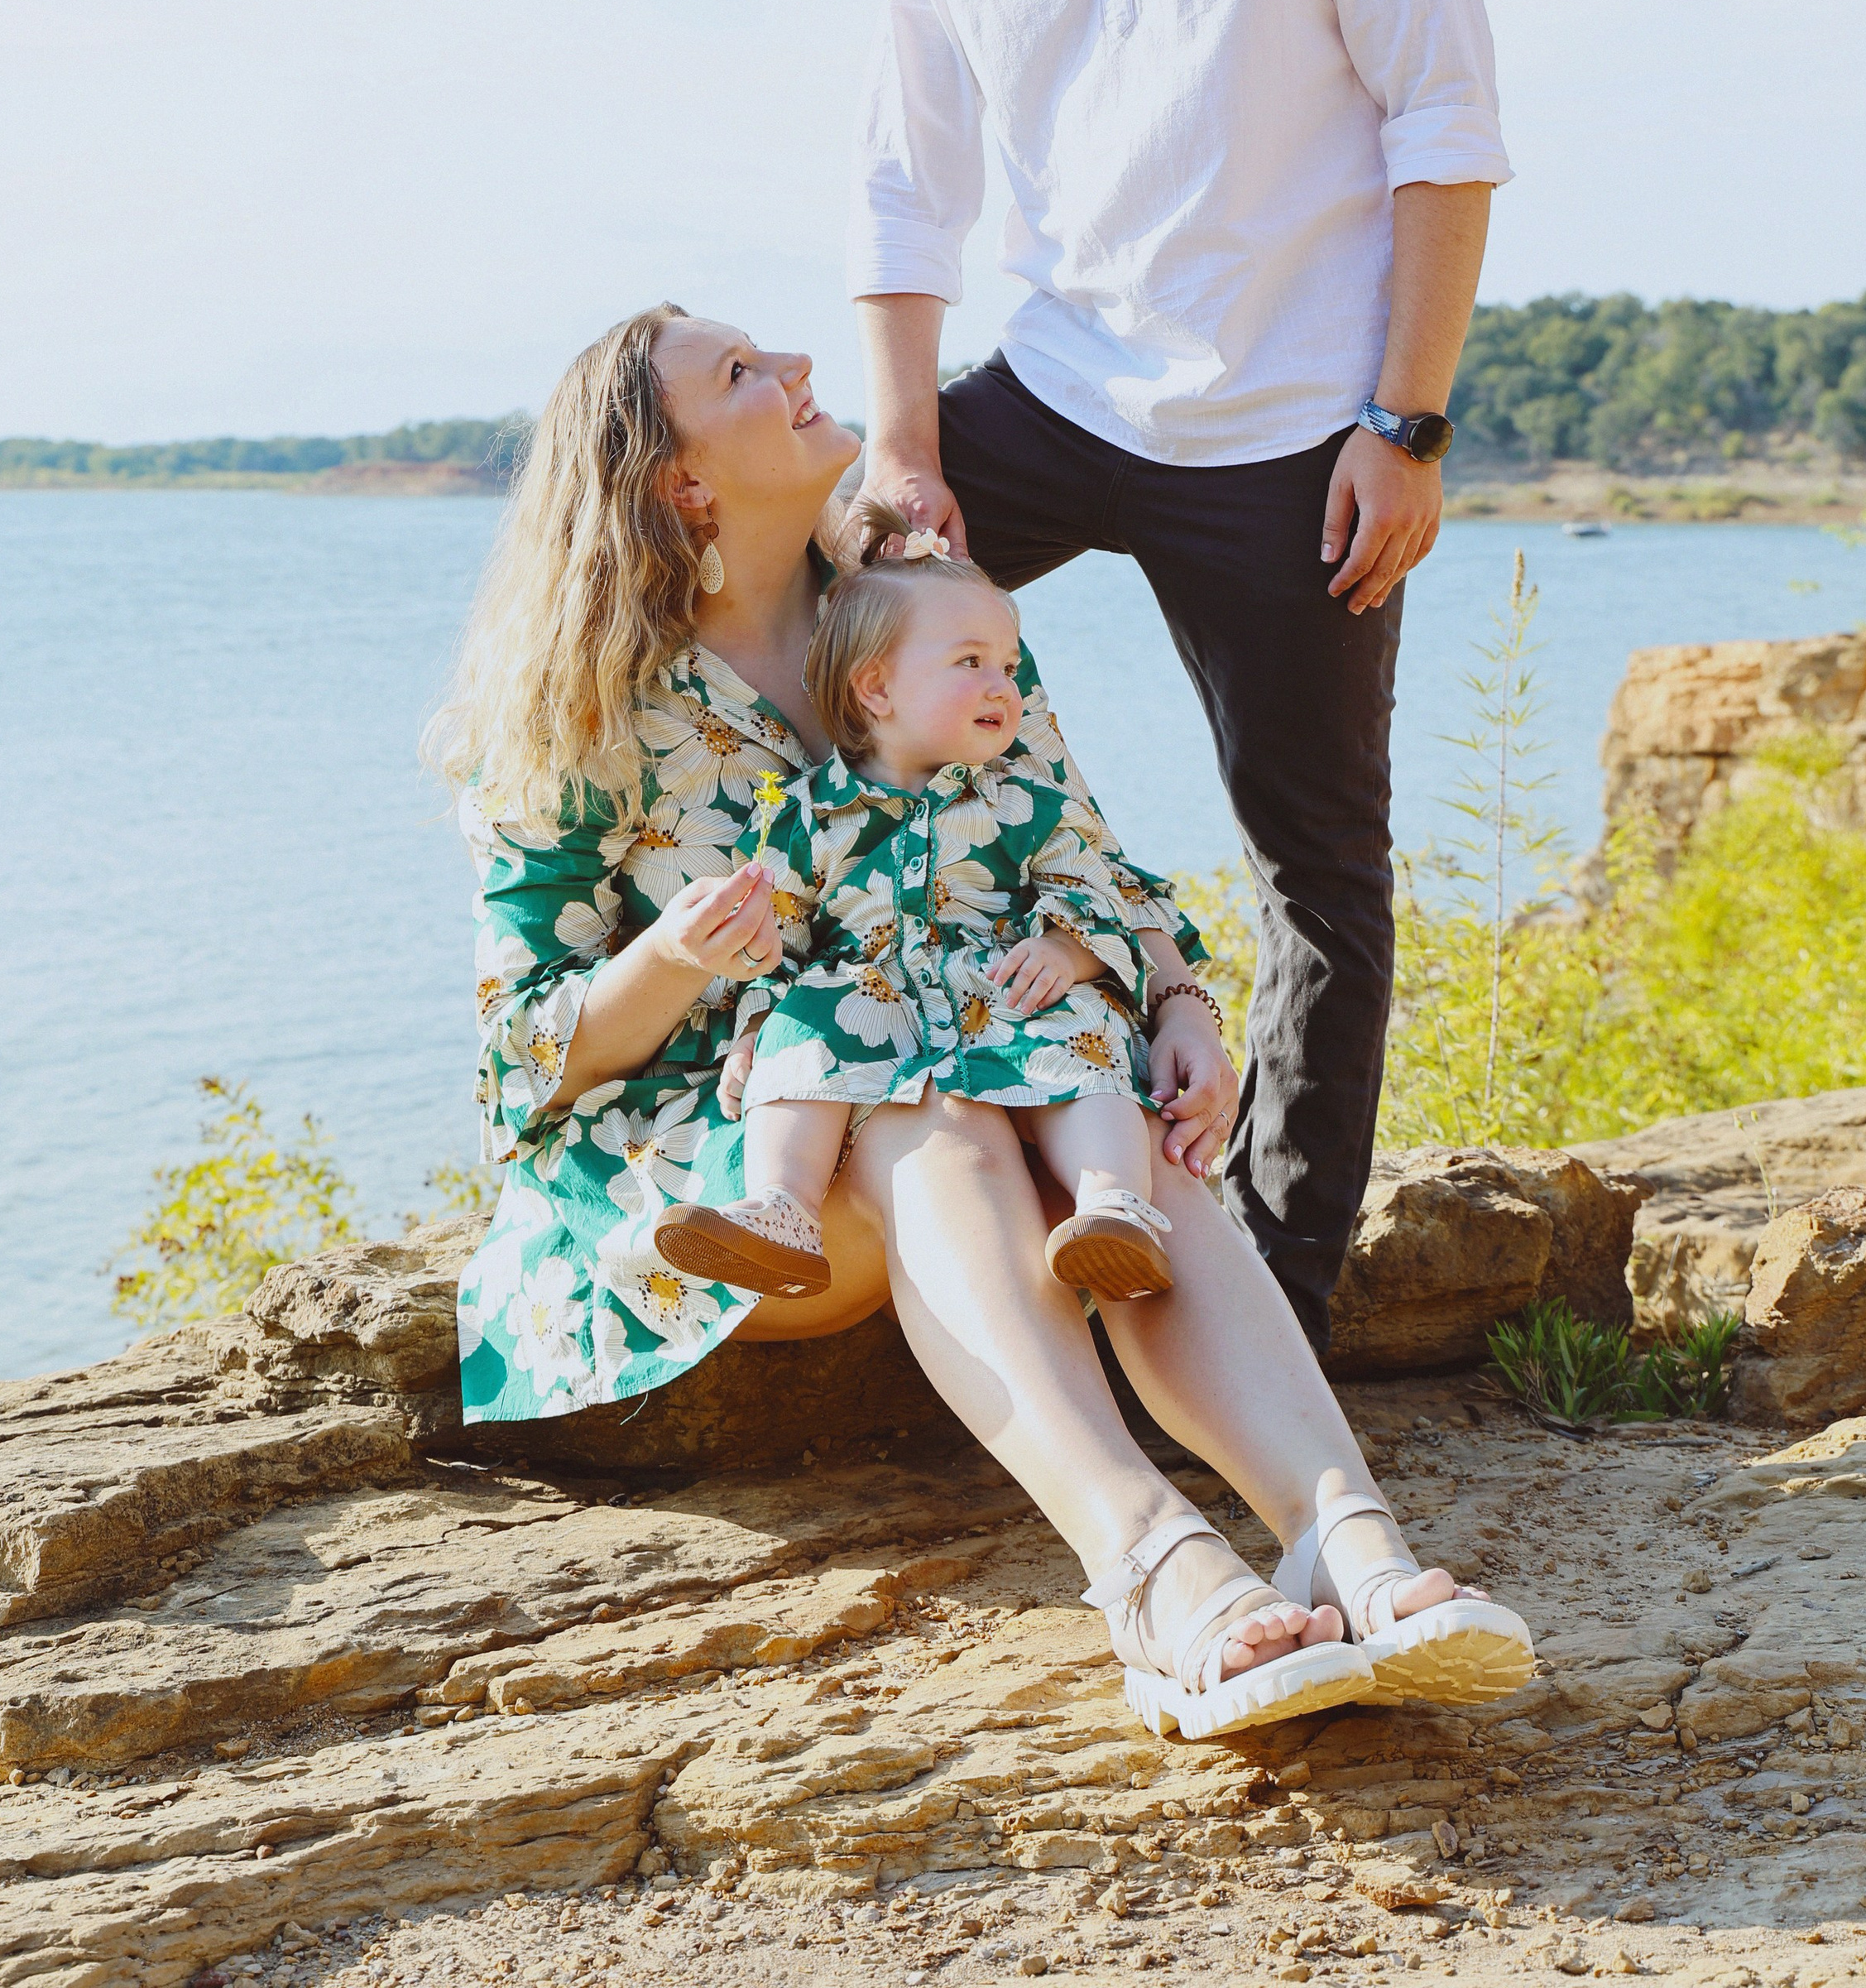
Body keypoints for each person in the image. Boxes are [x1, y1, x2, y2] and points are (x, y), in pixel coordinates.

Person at [427, 305, 1533, 1738]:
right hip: (745, 1155)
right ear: (679, 482)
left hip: (988, 1056)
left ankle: (1345, 1534)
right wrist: (677, 957)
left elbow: (1075, 849)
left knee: (1126, 1128)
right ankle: (1149, 1565)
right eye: (744, 378)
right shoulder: (585, 710)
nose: (802, 369)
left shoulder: (928, 607)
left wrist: (1175, 999)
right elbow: (524, 1056)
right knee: (917, 1099)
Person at [837, 0, 1513, 1355]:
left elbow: (1439, 121)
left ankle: (1283, 1290)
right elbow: (906, 178)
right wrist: (902, 448)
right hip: (1050, 398)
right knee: (775, 605)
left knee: (1319, 869)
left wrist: (1410, 417)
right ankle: (812, 1127)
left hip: (1300, 429)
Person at [651, 502, 1190, 1306]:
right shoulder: (807, 814)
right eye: (971, 662)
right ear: (876, 688)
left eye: (1008, 666)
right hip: (871, 1003)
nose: (1002, 687)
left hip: (1010, 987)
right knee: (801, 1034)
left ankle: (1113, 1205)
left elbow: (1092, 886)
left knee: (1084, 1042)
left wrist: (1068, 952)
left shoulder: (1027, 801)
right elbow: (779, 935)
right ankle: (782, 1210)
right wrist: (756, 1026)